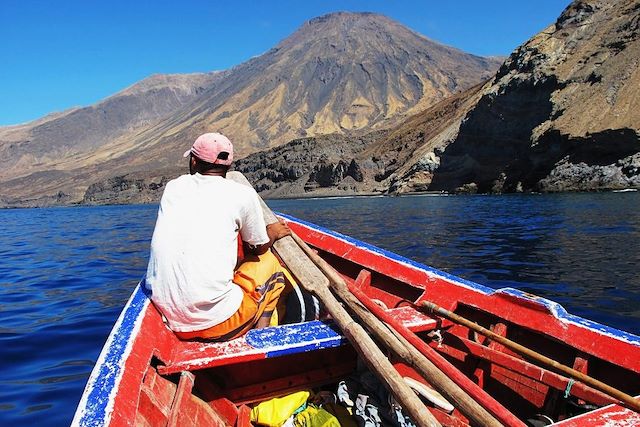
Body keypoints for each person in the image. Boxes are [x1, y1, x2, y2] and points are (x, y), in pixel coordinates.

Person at [144, 132, 291, 341]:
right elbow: (258, 247)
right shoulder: (242, 194)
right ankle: (260, 338)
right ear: (228, 167)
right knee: (271, 266)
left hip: (169, 316)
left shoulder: (173, 188)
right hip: (218, 324)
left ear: (194, 161)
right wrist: (274, 233)